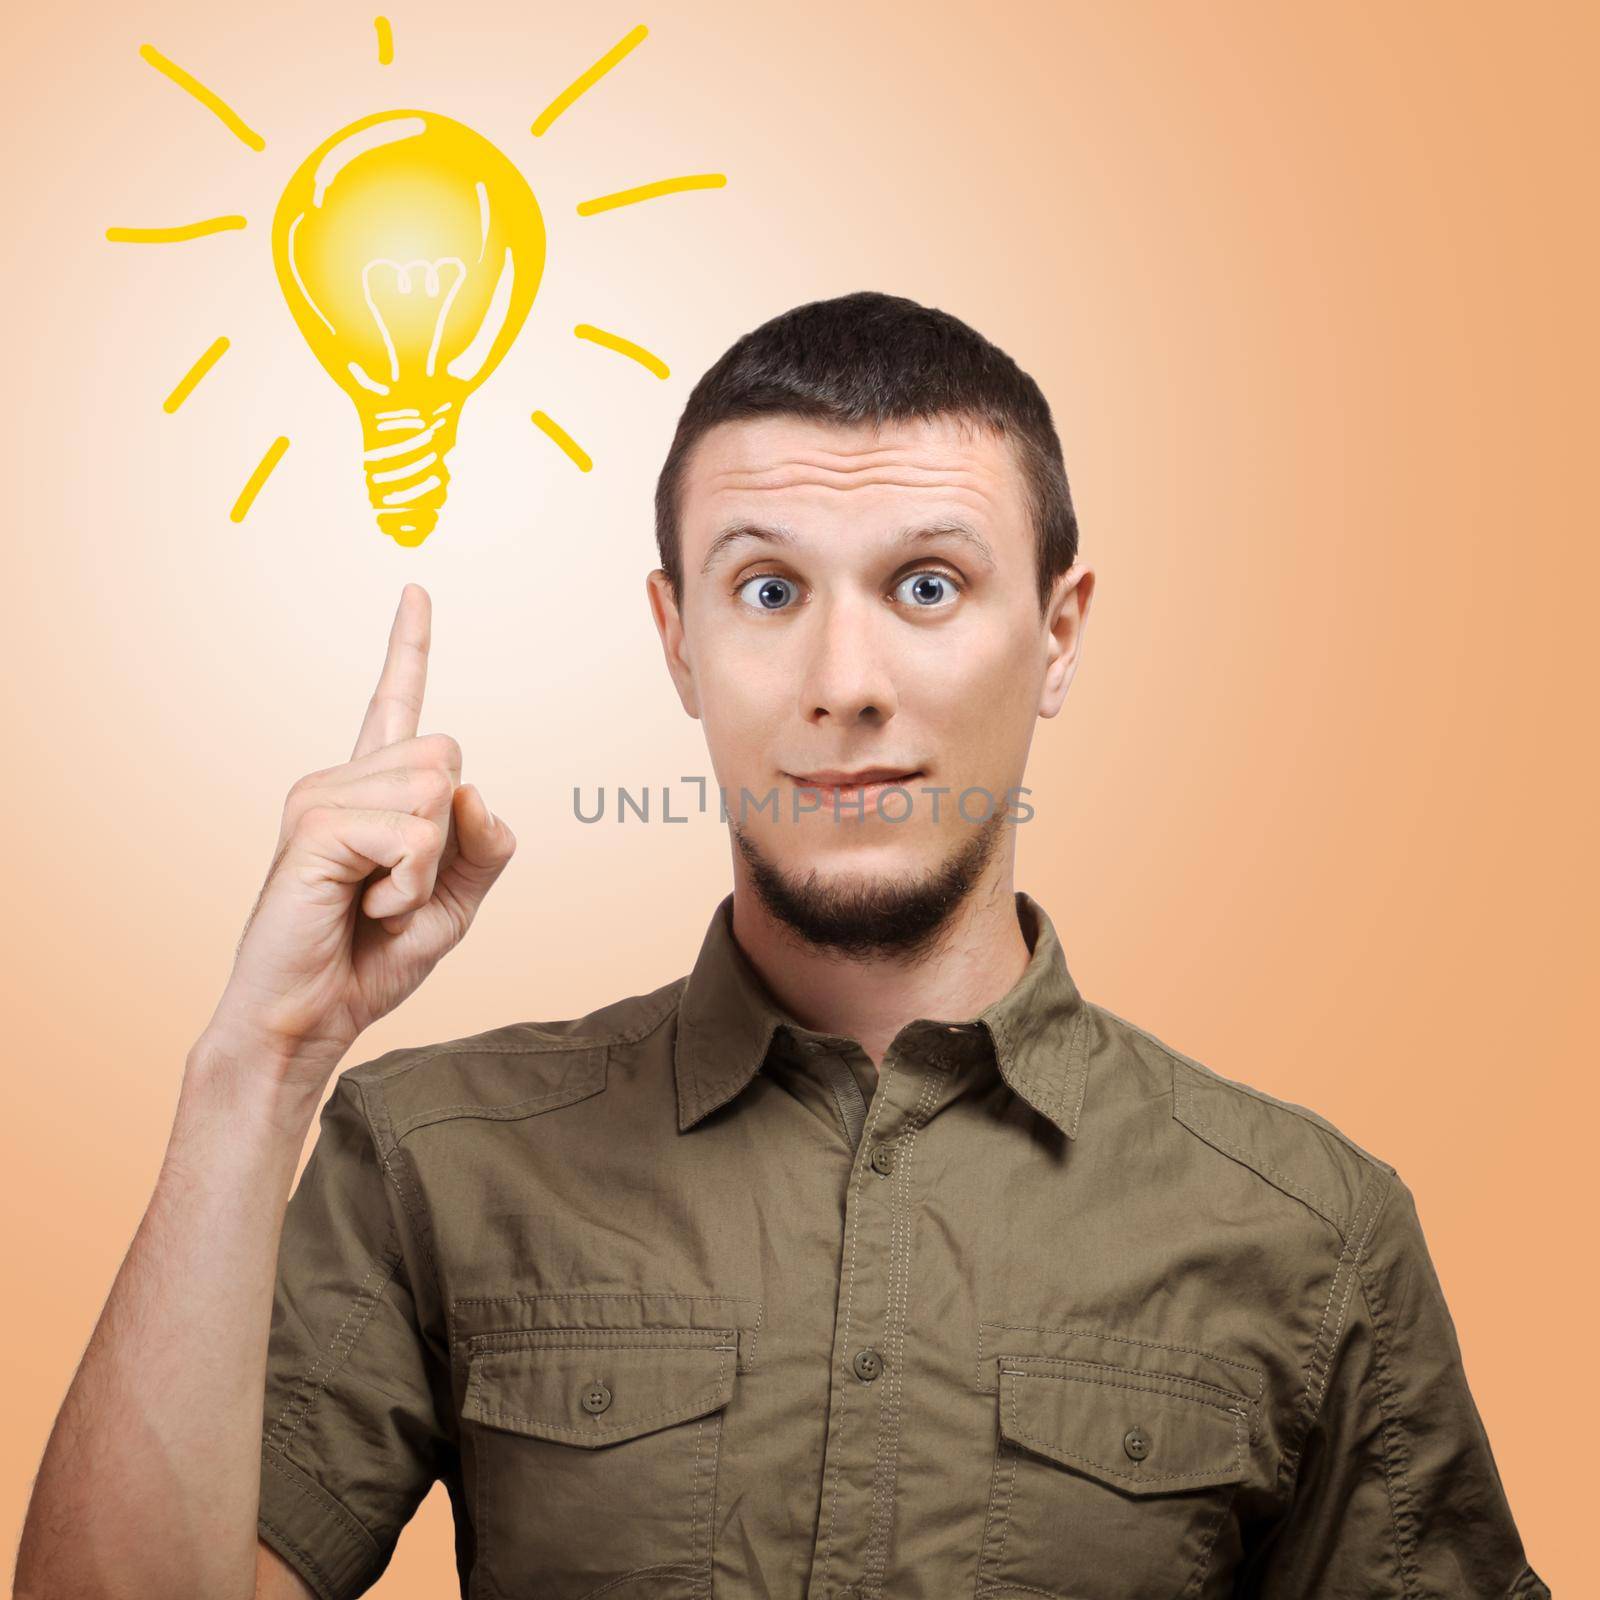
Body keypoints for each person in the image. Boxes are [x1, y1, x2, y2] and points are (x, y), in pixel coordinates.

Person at [15, 292, 1549, 1600]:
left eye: (928, 586)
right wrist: (258, 1066)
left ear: (1060, 631)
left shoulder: (1313, 1228)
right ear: (680, 639)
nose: (845, 680)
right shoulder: (433, 1160)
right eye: (767, 590)